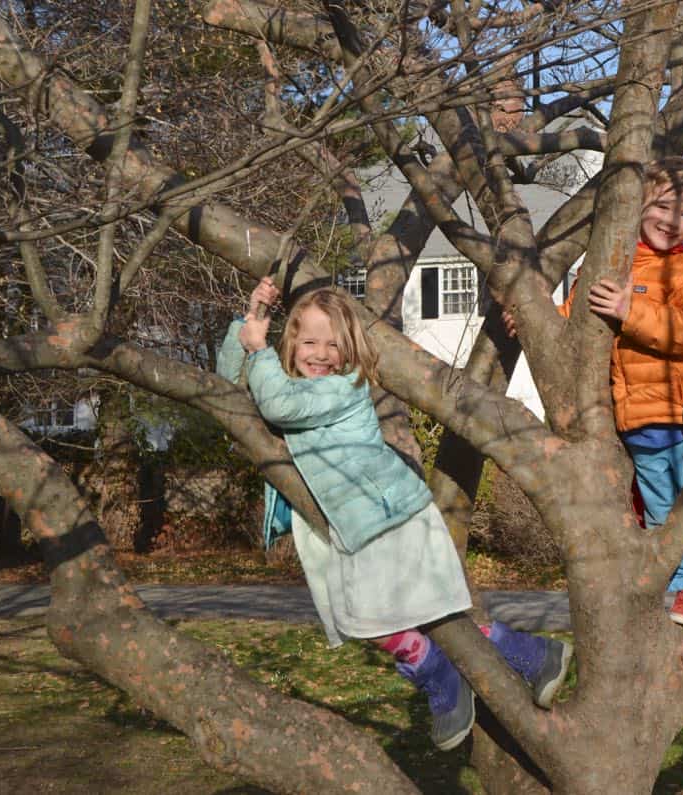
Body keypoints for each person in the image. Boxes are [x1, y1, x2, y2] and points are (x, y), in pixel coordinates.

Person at [217, 278, 571, 751]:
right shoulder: (283, 386)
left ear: (349, 352)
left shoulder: (340, 389)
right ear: (290, 343)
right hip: (355, 525)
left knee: (386, 614)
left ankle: (443, 665)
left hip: (386, 518)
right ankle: (527, 652)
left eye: (333, 344)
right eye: (308, 342)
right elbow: (225, 387)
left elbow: (277, 401)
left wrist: (260, 353)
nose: (320, 354)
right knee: (377, 615)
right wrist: (250, 320)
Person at [552, 156, 683, 630]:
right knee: (660, 513)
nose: (672, 222)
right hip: (638, 423)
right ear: (641, 204)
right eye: (663, 207)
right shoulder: (611, 264)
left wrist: (630, 312)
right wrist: (537, 324)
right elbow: (572, 324)